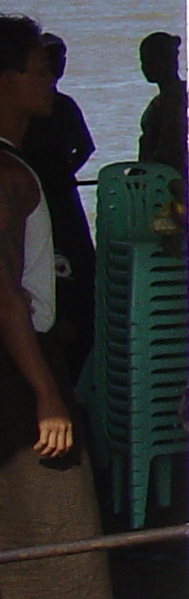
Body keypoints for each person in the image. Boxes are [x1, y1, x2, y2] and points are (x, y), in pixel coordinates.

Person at [0, 16, 160, 599]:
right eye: (40, 69)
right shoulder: (6, 172)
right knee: (60, 508)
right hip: (15, 362)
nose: (51, 82)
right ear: (8, 80)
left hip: (23, 347)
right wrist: (45, 394)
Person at [21, 32, 94, 373]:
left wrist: (66, 172)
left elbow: (86, 147)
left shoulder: (62, 106)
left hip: (62, 196)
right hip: (41, 196)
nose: (56, 70)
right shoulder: (34, 109)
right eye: (49, 63)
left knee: (77, 268)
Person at [135, 29, 182, 169]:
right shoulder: (163, 100)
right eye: (143, 60)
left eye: (150, 60)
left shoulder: (173, 100)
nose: (144, 67)